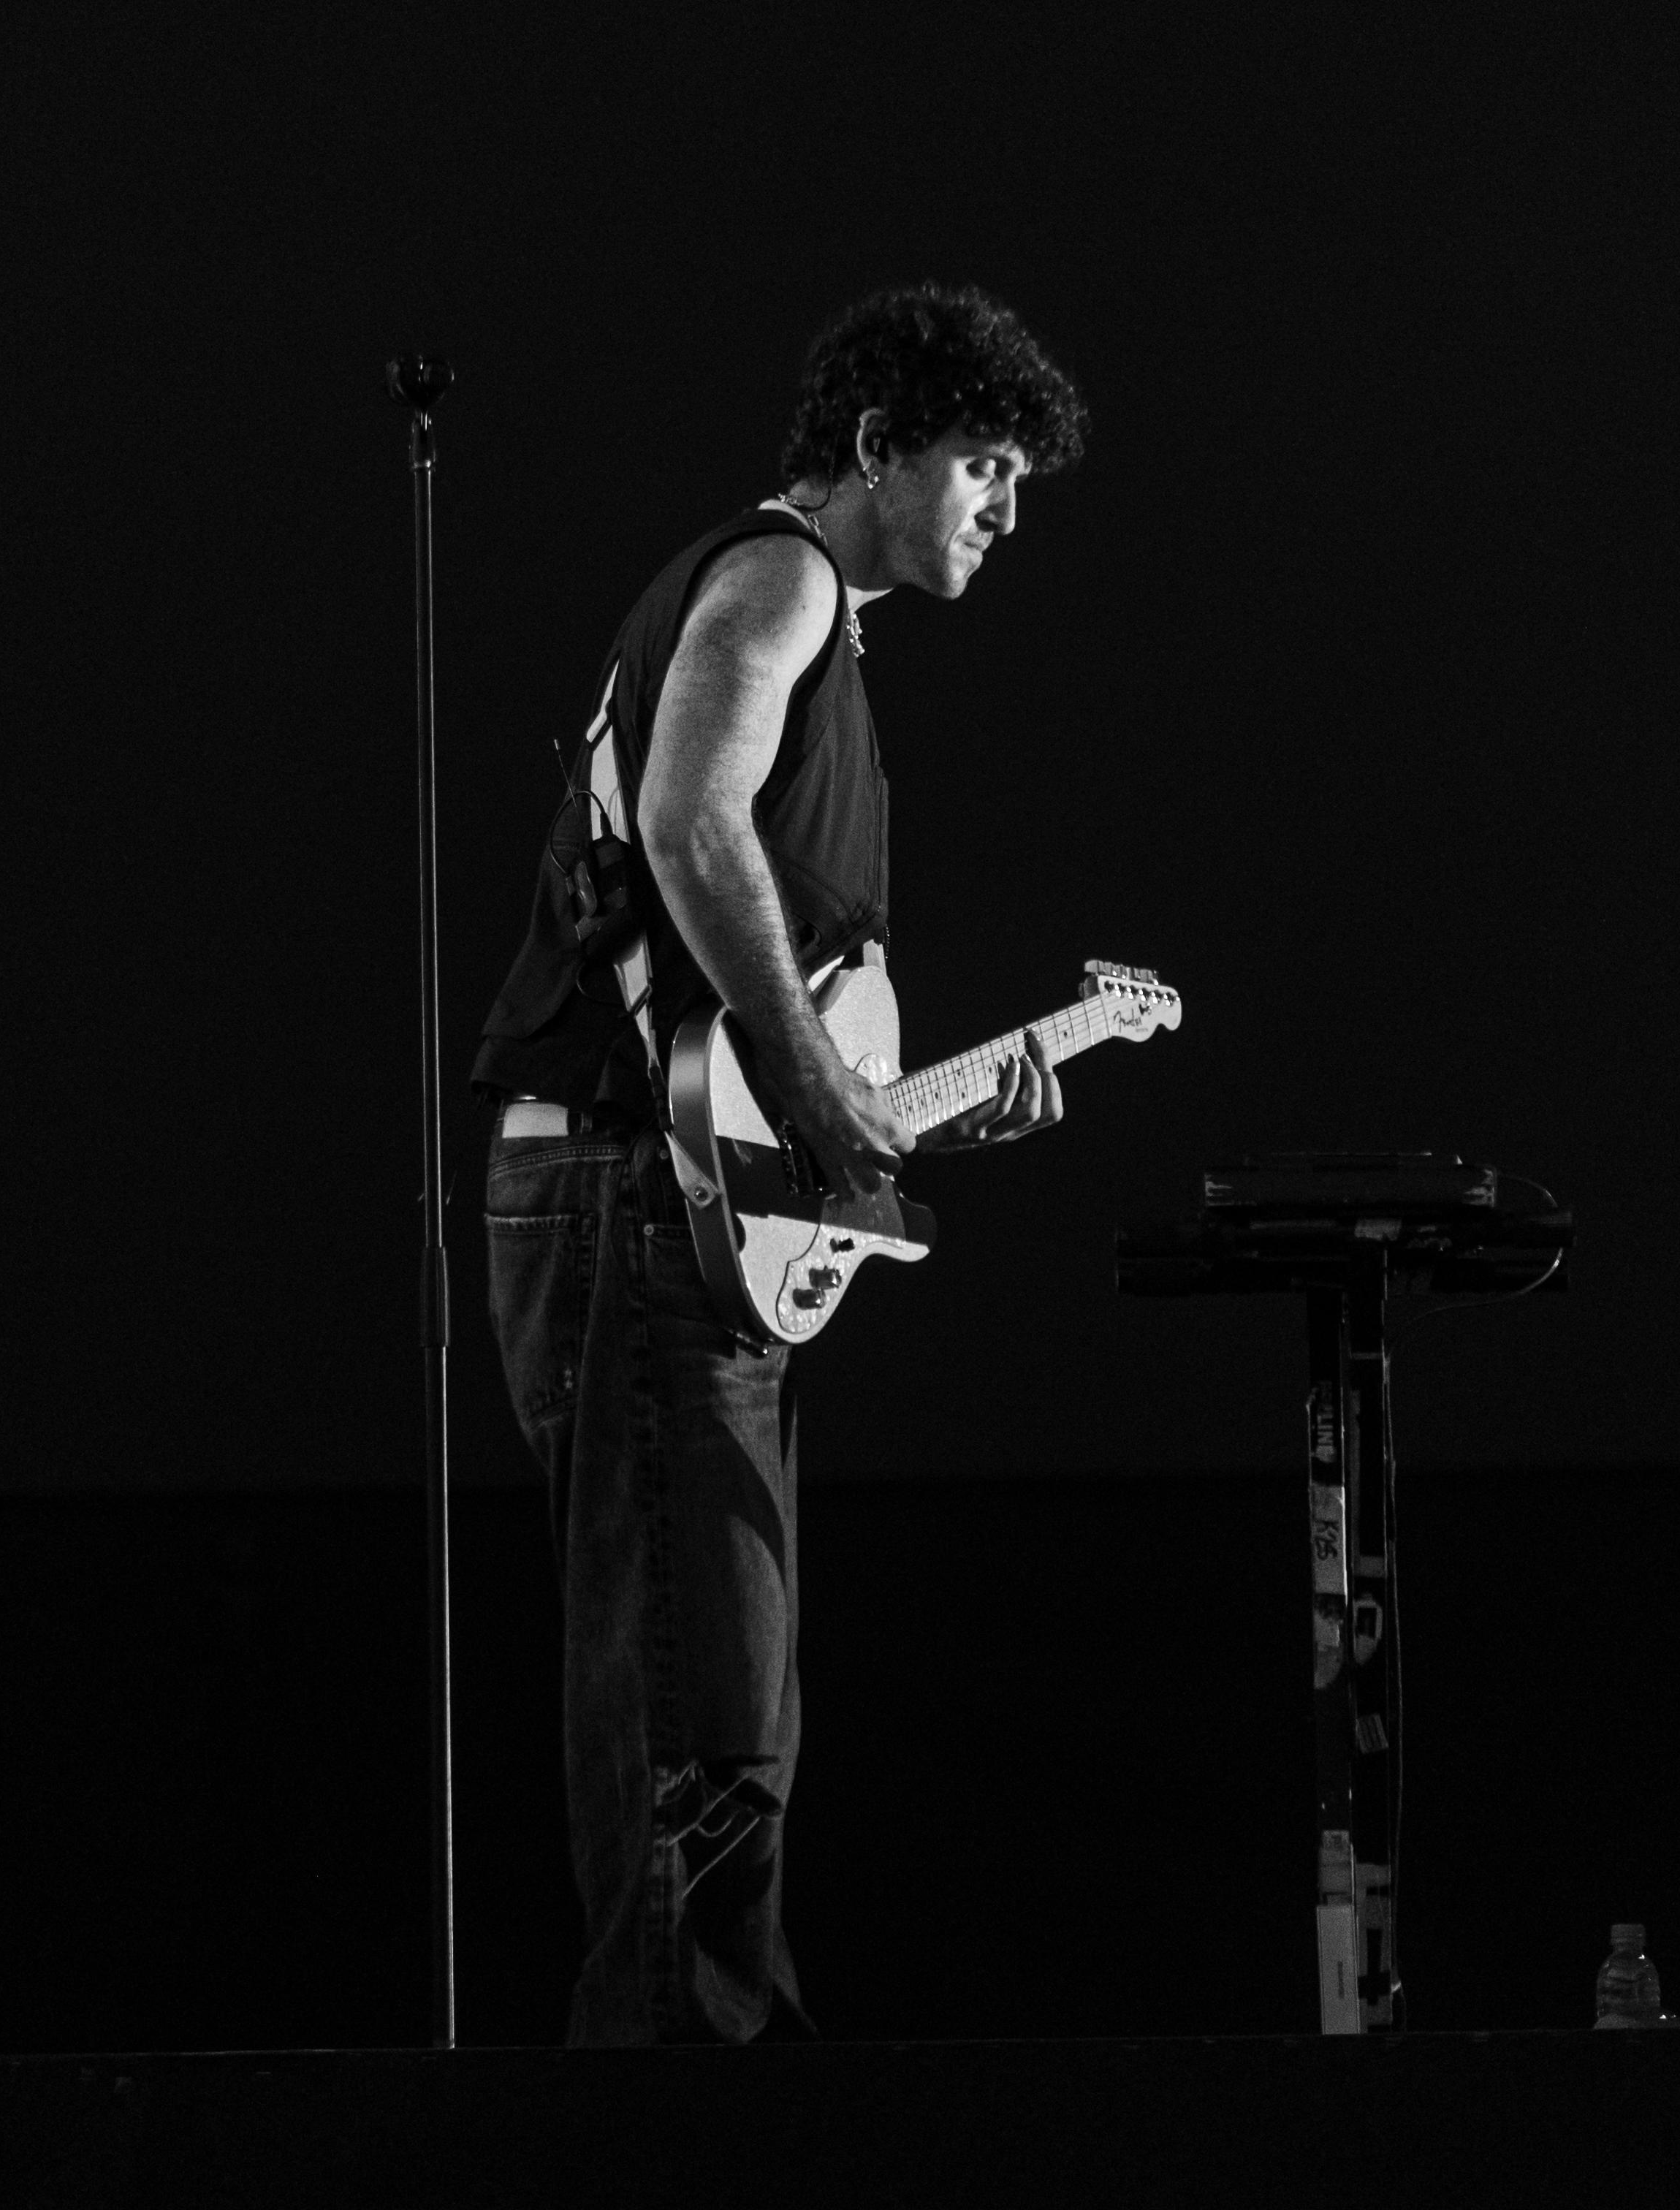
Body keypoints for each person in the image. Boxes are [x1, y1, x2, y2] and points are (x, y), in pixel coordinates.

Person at [469, 284, 1090, 2045]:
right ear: (878, 448)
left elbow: (757, 1025)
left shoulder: (817, 623)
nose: (1004, 510)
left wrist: (887, 1102)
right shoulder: (782, 580)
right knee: (700, 1711)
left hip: (656, 1196)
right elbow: (683, 818)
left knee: (728, 1707)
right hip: (618, 1190)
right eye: (981, 464)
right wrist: (829, 1104)